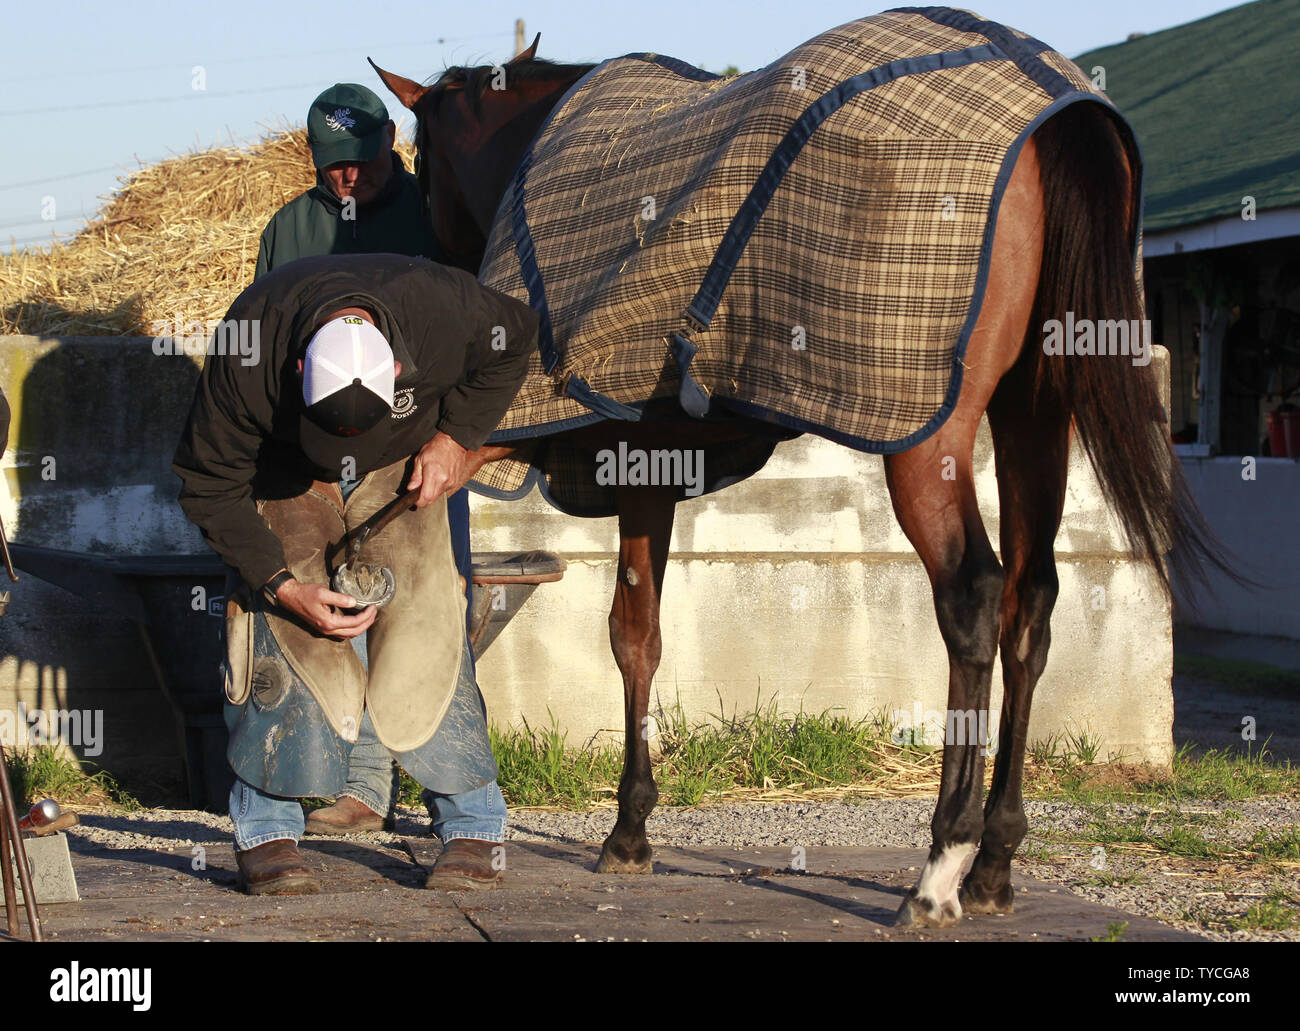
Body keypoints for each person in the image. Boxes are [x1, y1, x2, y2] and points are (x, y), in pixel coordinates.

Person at [173, 252, 536, 894]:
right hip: (283, 476)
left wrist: (458, 437)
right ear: (293, 370)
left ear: (397, 369)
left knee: (429, 620)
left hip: (399, 464)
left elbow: (519, 339)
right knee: (277, 635)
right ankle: (267, 833)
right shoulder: (246, 348)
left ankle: (474, 827)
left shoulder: (444, 309)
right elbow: (208, 484)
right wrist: (282, 586)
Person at [255, 81, 478, 836]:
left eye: (360, 158)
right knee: (333, 611)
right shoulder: (289, 230)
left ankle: (458, 799)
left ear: (391, 139)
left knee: (427, 609)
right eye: (332, 165)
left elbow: (483, 337)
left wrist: (459, 441)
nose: (349, 175)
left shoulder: (435, 217)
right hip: (318, 454)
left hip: (419, 451)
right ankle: (362, 784)